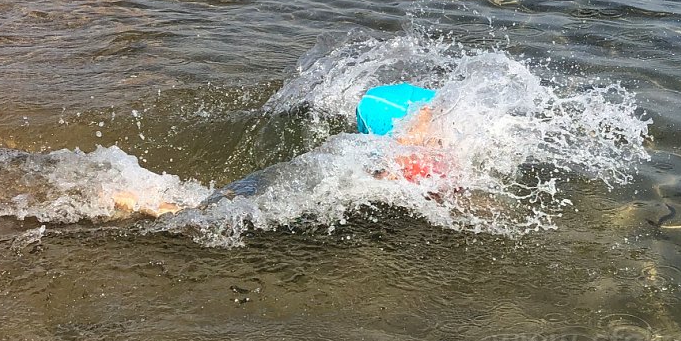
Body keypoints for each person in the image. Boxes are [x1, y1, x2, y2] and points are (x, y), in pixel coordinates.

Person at [112, 91, 449, 218]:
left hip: (399, 105)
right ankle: (160, 206)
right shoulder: (409, 150)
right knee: (250, 206)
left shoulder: (452, 134)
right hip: (386, 112)